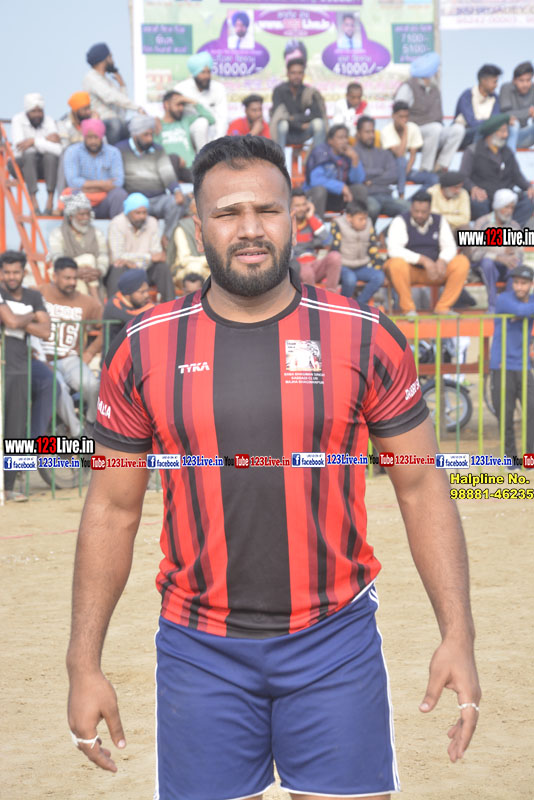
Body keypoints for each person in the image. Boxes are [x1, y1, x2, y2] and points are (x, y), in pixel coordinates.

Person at [67, 135, 480, 797]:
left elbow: (422, 485)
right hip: (199, 648)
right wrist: (82, 663)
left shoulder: (364, 334)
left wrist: (458, 635)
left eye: (267, 210)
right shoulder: (144, 346)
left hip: (334, 641)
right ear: (197, 225)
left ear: (294, 217)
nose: (250, 229)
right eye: (228, 213)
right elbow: (112, 510)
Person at [0, 250, 51, 501]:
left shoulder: (33, 295)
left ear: (23, 272)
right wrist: (31, 315)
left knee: (15, 429)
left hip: (20, 368)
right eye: (7, 272)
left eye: (16, 272)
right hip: (3, 366)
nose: (11, 276)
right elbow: (10, 322)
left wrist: (21, 318)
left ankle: (9, 487)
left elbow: (46, 331)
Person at [39, 257, 102, 437]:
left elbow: (106, 326)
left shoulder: (86, 301)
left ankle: (91, 422)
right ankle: (78, 433)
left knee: (93, 386)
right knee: (58, 389)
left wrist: (90, 352)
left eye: (75, 278)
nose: (72, 282)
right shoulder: (39, 293)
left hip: (70, 358)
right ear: (55, 276)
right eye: (67, 278)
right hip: (43, 358)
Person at [386, 190, 470, 316]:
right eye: (416, 211)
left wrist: (442, 260)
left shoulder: (439, 220)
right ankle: (408, 309)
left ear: (430, 210)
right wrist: (423, 260)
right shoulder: (400, 220)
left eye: (423, 212)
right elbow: (394, 249)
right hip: (410, 271)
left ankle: (443, 307)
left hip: (436, 270)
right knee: (395, 264)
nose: (419, 215)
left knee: (462, 262)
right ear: (411, 208)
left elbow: (450, 246)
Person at [116, 115, 187, 241]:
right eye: (146, 135)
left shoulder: (158, 149)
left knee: (176, 203)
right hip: (133, 200)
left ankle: (167, 239)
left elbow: (168, 174)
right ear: (135, 135)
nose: (150, 139)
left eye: (151, 134)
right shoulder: (120, 149)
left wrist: (177, 191)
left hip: (157, 199)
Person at [490, 265, 534, 462]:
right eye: (516, 282)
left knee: (532, 412)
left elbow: (523, 311)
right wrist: (524, 312)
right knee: (505, 416)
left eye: (523, 283)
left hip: (523, 365)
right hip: (502, 364)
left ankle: (530, 458)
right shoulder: (504, 299)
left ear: (531, 284)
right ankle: (511, 459)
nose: (519, 287)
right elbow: (519, 309)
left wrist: (524, 313)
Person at [394, 52, 464, 173]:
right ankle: (426, 169)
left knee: (458, 129)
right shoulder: (408, 87)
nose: (438, 72)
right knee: (434, 128)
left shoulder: (435, 89)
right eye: (436, 70)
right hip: (413, 130)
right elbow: (398, 111)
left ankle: (441, 166)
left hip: (435, 130)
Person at [460, 113, 534, 227]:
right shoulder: (473, 151)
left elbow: (517, 176)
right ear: (491, 133)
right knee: (477, 201)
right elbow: (463, 176)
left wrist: (529, 187)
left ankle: (511, 230)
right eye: (502, 131)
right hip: (485, 196)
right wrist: (473, 188)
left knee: (529, 199)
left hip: (505, 195)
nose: (506, 135)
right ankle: (486, 230)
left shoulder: (507, 151)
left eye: (506, 131)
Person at [107, 193, 175, 301]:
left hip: (146, 269)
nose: (142, 216)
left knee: (162, 268)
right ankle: (114, 306)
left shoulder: (152, 222)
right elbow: (117, 256)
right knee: (117, 267)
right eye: (137, 213)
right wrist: (148, 257)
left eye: (144, 212)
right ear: (128, 212)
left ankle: (171, 304)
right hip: (126, 270)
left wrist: (132, 261)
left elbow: (157, 253)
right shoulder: (117, 223)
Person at [469, 189, 523, 312]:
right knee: (487, 263)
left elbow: (520, 253)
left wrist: (513, 255)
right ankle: (493, 306)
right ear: (498, 207)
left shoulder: (514, 226)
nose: (509, 211)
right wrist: (499, 256)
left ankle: (508, 305)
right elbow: (474, 253)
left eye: (512, 208)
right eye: (506, 207)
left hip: (506, 266)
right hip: (484, 267)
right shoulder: (482, 223)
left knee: (515, 263)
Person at [63, 118, 127, 219]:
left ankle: (117, 228)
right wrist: (103, 184)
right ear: (84, 136)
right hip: (83, 198)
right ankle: (77, 229)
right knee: (73, 193)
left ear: (101, 137)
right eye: (89, 137)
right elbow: (72, 182)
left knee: (119, 194)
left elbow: (118, 182)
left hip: (105, 200)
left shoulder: (113, 152)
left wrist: (87, 186)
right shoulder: (72, 151)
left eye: (96, 137)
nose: (93, 141)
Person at [48, 192, 109, 299]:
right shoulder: (58, 234)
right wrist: (75, 272)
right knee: (88, 260)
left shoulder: (97, 233)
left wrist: (99, 271)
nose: (86, 218)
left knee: (88, 263)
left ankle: (88, 303)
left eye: (88, 214)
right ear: (71, 216)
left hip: (92, 274)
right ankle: (96, 301)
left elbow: (103, 255)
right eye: (82, 214)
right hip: (66, 274)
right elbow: (58, 258)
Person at [83, 42, 143, 145]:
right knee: (115, 123)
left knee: (136, 125)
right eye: (110, 57)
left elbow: (122, 107)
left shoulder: (108, 81)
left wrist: (122, 85)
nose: (113, 60)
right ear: (103, 59)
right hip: (102, 122)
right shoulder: (91, 78)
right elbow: (110, 97)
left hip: (117, 121)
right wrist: (137, 108)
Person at [11, 93, 61, 214]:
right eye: (34, 111)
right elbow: (20, 148)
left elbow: (58, 149)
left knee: (51, 157)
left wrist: (34, 141)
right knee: (29, 155)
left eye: (40, 111)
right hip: (21, 166)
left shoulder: (48, 121)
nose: (37, 114)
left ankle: (50, 202)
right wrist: (46, 141)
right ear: (27, 111)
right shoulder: (18, 120)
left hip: (44, 166)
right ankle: (34, 202)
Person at [354, 116, 409, 222]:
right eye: (367, 132)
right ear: (358, 133)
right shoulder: (353, 153)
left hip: (386, 195)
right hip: (366, 196)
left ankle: (387, 231)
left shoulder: (384, 153)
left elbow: (393, 175)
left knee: (409, 208)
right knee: (373, 208)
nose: (371, 135)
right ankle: (371, 232)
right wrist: (380, 172)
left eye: (372, 131)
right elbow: (360, 175)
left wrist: (372, 180)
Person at [305, 123, 366, 218]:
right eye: (340, 138)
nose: (345, 141)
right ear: (330, 141)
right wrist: (341, 187)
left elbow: (358, 180)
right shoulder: (321, 152)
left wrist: (355, 160)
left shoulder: (349, 155)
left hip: (341, 197)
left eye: (346, 137)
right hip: (319, 197)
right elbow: (315, 180)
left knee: (359, 189)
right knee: (320, 191)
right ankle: (317, 225)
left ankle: (357, 223)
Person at [330, 199, 385, 302]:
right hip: (343, 266)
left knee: (379, 277)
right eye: (360, 219)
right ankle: (344, 306)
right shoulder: (338, 224)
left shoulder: (369, 224)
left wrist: (378, 265)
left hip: (362, 267)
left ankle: (359, 305)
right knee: (350, 279)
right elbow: (334, 249)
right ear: (349, 217)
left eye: (365, 218)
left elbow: (372, 247)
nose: (364, 222)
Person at [380, 101, 439, 197]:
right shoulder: (386, 130)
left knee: (433, 179)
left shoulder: (413, 128)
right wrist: (405, 131)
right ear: (393, 116)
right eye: (401, 117)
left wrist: (404, 173)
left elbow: (412, 156)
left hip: (406, 169)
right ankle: (401, 196)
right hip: (390, 170)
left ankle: (412, 201)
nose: (404, 120)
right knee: (401, 160)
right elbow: (399, 154)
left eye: (406, 117)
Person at [155, 91, 215, 181]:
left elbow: (211, 119)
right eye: (178, 104)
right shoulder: (157, 125)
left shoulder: (185, 121)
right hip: (169, 167)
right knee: (171, 161)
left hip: (190, 168)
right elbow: (155, 151)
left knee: (208, 179)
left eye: (182, 104)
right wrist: (176, 160)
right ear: (166, 105)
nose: (181, 108)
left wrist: (191, 101)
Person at [270, 58, 327, 150]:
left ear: (304, 75)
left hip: (303, 132)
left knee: (319, 123)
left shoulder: (308, 92)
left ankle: (318, 157)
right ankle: (279, 157)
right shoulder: (279, 91)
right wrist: (299, 125)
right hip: (286, 133)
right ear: (287, 74)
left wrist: (294, 118)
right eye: (293, 73)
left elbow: (316, 114)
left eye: (300, 73)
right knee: (282, 124)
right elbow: (279, 116)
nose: (297, 76)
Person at [290, 188, 341, 290]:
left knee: (335, 257)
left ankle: (331, 295)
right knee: (307, 272)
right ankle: (311, 299)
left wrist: (311, 217)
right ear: (290, 206)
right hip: (297, 266)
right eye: (297, 206)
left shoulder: (313, 219)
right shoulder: (287, 222)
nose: (302, 208)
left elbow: (329, 240)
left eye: (304, 204)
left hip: (314, 264)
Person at [175, 52, 228, 143]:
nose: (206, 76)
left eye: (209, 72)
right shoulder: (181, 89)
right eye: (202, 72)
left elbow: (222, 118)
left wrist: (217, 142)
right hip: (188, 133)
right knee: (202, 122)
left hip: (213, 135)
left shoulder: (219, 88)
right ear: (194, 73)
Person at [102, 269, 153, 354]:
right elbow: (135, 319)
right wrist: (152, 309)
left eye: (147, 290)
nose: (146, 295)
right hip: (115, 358)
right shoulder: (113, 305)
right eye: (142, 292)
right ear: (128, 293)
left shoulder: (140, 303)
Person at [454, 63, 502, 148]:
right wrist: (488, 123)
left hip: (485, 133)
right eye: (494, 82)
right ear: (483, 81)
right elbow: (472, 122)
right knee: (481, 130)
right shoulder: (467, 95)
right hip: (464, 134)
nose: (496, 85)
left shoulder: (495, 98)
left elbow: (495, 121)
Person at [167, 196, 210, 287]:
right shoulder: (183, 227)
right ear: (192, 209)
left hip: (210, 268)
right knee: (194, 268)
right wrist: (208, 261)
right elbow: (184, 260)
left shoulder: (212, 225)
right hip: (187, 269)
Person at [499, 61, 534, 151]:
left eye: (528, 80)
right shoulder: (506, 88)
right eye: (521, 80)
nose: (525, 84)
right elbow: (506, 114)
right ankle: (510, 158)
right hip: (507, 135)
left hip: (525, 135)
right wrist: (529, 112)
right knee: (514, 123)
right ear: (514, 80)